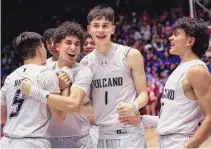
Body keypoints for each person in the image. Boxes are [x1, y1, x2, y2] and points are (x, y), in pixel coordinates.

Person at [119, 17, 211, 148]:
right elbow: (170, 120)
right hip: (167, 141)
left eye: (176, 34)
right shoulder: (180, 69)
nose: (170, 38)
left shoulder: (196, 70)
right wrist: (141, 119)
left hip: (179, 143)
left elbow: (210, 118)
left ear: (190, 41)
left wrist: (186, 148)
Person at [80, 5, 148, 148]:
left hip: (129, 133)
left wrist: (133, 106)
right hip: (101, 134)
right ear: (89, 29)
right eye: (96, 26)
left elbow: (144, 94)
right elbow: (87, 102)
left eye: (105, 26)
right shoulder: (85, 62)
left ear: (113, 29)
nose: (100, 30)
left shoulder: (131, 54)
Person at [20, 21, 94, 148]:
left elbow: (72, 104)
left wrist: (34, 91)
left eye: (77, 44)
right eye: (68, 42)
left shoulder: (83, 71)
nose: (73, 47)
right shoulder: (43, 68)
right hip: (49, 139)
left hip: (79, 139)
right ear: (57, 46)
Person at [0, 32, 63, 148]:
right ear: (39, 49)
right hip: (33, 142)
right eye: (44, 47)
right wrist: (65, 88)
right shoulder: (47, 74)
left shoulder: (10, 78)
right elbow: (59, 117)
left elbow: (2, 118)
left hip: (7, 142)